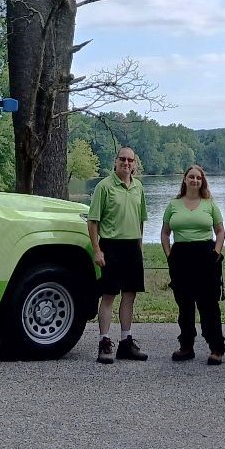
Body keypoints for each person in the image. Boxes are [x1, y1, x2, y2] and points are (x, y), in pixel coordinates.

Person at [159, 164, 225, 365]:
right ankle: (186, 346)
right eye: (191, 177)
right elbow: (165, 233)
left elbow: (220, 231)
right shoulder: (173, 204)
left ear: (202, 181)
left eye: (198, 178)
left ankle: (216, 348)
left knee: (209, 305)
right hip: (181, 258)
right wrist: (169, 254)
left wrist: (216, 251)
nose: (195, 180)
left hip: (206, 256)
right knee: (185, 305)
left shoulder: (210, 204)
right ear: (185, 179)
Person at [87, 147, 149, 364]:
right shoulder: (104, 187)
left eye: (130, 160)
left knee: (130, 294)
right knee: (109, 295)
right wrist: (97, 250)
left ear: (135, 164)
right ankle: (104, 342)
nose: (126, 163)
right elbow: (93, 221)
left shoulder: (138, 187)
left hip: (132, 246)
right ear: (115, 162)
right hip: (111, 246)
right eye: (122, 159)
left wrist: (140, 247)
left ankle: (125, 342)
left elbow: (140, 220)